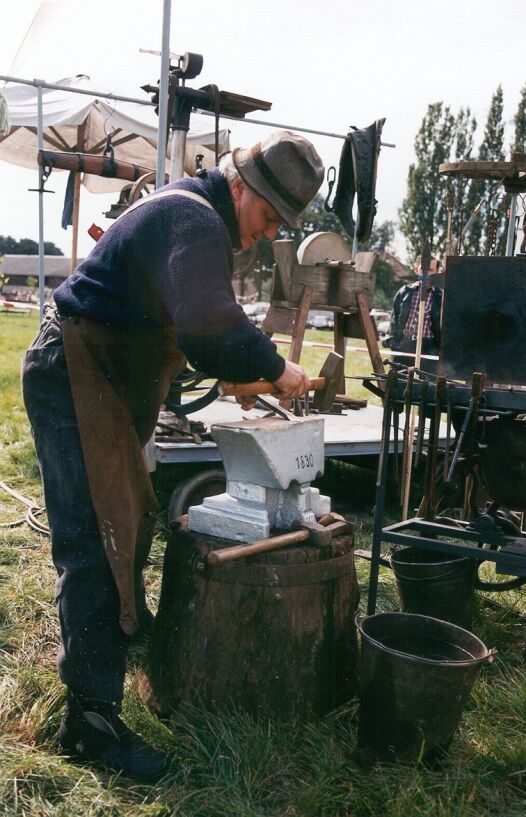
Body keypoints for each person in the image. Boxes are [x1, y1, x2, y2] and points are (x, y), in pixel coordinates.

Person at [22, 130, 324, 779]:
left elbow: (189, 319)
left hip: (97, 376)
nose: (267, 232)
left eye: (280, 224)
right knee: (96, 538)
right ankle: (90, 721)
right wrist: (277, 368)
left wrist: (242, 370)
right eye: (268, 215)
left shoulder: (197, 217)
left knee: (130, 516)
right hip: (71, 371)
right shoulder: (195, 218)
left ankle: (118, 641)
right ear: (240, 186)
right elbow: (208, 323)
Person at [383, 254, 442, 374]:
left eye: (430, 270)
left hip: (429, 350)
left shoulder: (441, 297)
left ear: (437, 273)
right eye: (423, 269)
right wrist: (395, 344)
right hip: (403, 347)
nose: (426, 273)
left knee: (426, 384)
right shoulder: (404, 292)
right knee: (397, 382)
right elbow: (394, 320)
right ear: (417, 270)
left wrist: (437, 350)